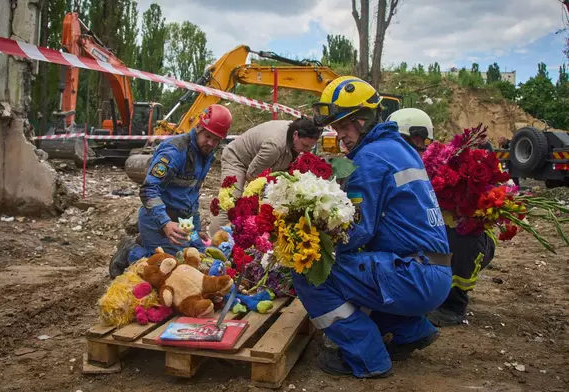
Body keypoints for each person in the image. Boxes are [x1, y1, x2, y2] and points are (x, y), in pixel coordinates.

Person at [292, 76, 452, 378]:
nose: (340, 136)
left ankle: (366, 358)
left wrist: (309, 243)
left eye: (343, 126)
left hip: (413, 276)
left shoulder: (370, 158)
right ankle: (411, 332)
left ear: (362, 120)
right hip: (431, 271)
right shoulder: (399, 147)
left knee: (310, 273)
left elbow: (356, 231)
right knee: (362, 272)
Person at [388, 108, 497, 327]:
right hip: (428, 237)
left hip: (466, 239)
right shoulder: (396, 163)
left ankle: (453, 305)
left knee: (458, 235)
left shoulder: (445, 165)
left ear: (418, 138)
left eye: (400, 140)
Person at [108, 104, 232, 278]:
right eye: (207, 136)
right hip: (158, 221)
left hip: (183, 223)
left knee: (202, 257)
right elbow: (148, 190)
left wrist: (195, 229)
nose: (210, 143)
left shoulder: (206, 155)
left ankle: (146, 242)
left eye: (216, 139)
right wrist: (165, 223)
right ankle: (131, 252)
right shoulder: (175, 151)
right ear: (198, 127)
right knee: (170, 269)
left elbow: (192, 194)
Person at [208, 118, 323, 235]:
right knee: (230, 203)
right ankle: (214, 243)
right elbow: (252, 175)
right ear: (295, 135)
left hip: (258, 160)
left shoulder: (296, 135)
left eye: (310, 147)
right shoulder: (274, 146)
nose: (306, 150)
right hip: (237, 159)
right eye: (304, 145)